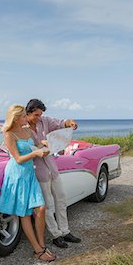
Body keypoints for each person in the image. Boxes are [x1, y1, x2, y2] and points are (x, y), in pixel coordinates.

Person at [0, 104, 56, 262]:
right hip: (17, 174)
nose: (25, 118)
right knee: (25, 214)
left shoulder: (27, 130)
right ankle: (38, 250)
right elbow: (18, 159)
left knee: (41, 208)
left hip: (29, 174)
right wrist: (36, 152)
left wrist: (43, 145)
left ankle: (41, 245)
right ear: (15, 118)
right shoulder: (9, 134)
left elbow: (32, 149)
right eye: (22, 116)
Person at [25, 99, 81, 249]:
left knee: (61, 199)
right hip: (38, 171)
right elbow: (24, 150)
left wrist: (71, 123)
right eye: (36, 115)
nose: (39, 118)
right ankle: (56, 235)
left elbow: (62, 123)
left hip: (51, 167)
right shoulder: (22, 127)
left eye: (40, 115)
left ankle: (65, 231)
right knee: (48, 205)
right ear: (28, 112)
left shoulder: (45, 121)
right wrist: (39, 145)